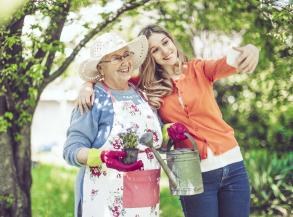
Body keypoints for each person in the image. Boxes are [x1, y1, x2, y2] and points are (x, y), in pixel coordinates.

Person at [75, 24, 260, 217]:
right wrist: (88, 85)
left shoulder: (200, 69)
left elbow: (232, 61)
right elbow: (113, 77)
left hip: (233, 165)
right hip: (191, 172)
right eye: (155, 50)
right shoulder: (146, 85)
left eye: (165, 42)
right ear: (149, 57)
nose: (165, 51)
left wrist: (251, 49)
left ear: (172, 40)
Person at [63, 32, 163, 217]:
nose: (125, 62)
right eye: (116, 58)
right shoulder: (93, 99)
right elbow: (71, 150)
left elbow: (154, 140)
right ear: (101, 68)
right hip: (106, 197)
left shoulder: (142, 95)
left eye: (126, 55)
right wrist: (102, 157)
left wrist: (170, 132)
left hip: (145, 195)